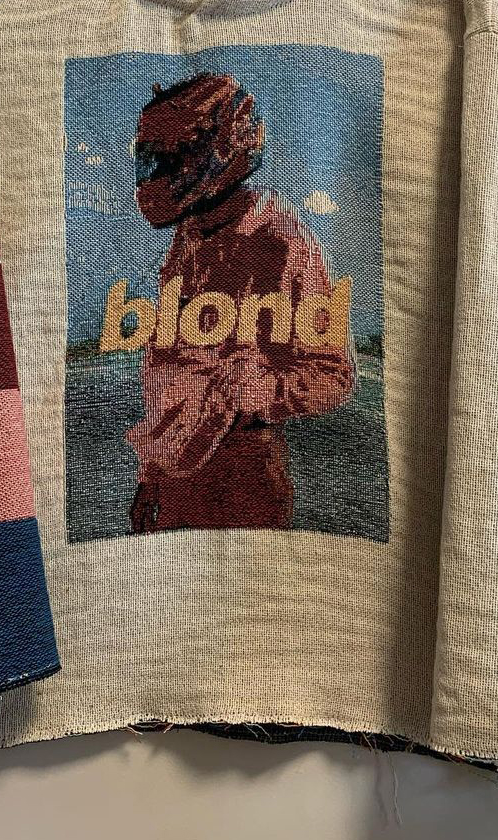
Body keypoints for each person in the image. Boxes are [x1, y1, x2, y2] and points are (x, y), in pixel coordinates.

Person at [125, 71, 356, 534]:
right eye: (151, 162)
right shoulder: (188, 239)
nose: (154, 176)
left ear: (214, 152)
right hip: (175, 481)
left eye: (167, 160)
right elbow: (168, 370)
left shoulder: (280, 241)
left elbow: (334, 377)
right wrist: (150, 476)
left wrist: (248, 390)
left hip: (244, 478)